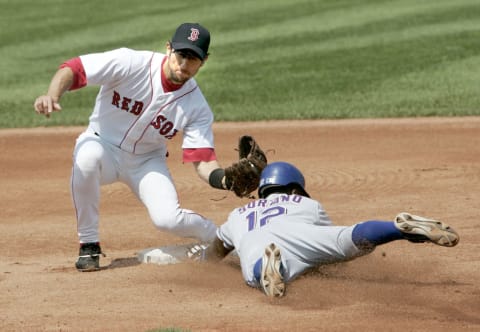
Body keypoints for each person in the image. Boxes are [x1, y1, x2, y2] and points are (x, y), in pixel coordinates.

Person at [33, 23, 243, 272]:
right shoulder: (130, 63)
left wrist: (225, 179)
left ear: (204, 61)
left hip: (146, 162)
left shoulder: (197, 107)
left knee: (168, 220)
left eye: (193, 59)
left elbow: (202, 159)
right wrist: (52, 95)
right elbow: (74, 68)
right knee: (87, 157)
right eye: (181, 55)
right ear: (169, 48)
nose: (185, 64)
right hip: (103, 145)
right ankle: (89, 244)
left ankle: (221, 238)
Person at [196, 161, 460, 297]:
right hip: (301, 232)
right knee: (348, 238)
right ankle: (396, 228)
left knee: (258, 267)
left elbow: (216, 250)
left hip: (257, 239)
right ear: (295, 188)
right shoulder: (306, 203)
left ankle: (267, 267)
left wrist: (204, 260)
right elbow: (328, 253)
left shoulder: (237, 215)